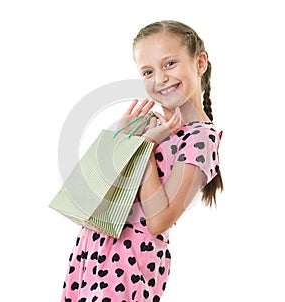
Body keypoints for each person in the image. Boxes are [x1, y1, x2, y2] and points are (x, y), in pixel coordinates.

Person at [61, 20, 223, 302]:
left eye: (169, 63)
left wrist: (144, 150)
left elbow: (159, 221)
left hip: (129, 268)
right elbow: (87, 193)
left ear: (200, 63)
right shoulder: (152, 124)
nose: (160, 78)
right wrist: (117, 139)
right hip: (92, 254)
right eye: (148, 71)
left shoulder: (201, 138)